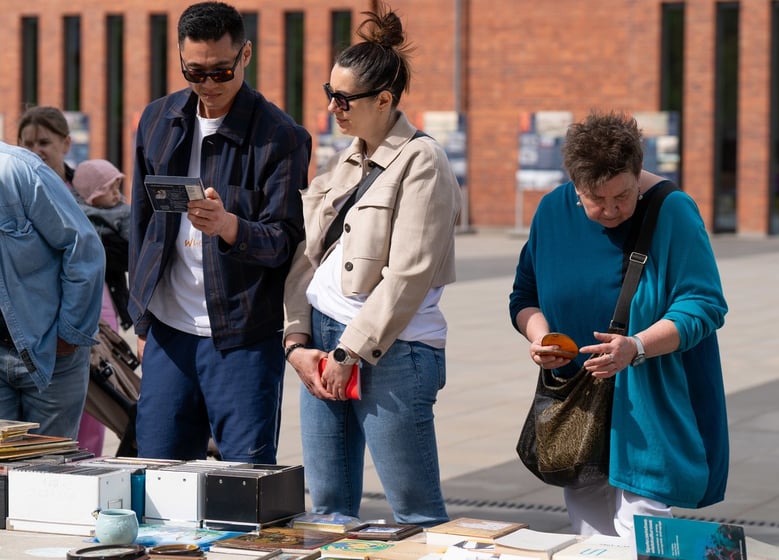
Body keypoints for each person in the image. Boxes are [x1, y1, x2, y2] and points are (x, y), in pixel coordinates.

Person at [508, 110, 729, 539]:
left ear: (637, 171)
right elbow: (524, 296)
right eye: (596, 198)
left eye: (623, 196)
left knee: (641, 532)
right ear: (575, 186)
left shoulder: (673, 211)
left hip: (648, 404)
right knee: (589, 533)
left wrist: (637, 347)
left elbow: (704, 304)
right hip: (578, 401)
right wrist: (540, 338)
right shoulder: (553, 210)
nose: (611, 209)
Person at [283, 5, 461, 527]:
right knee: (329, 509)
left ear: (384, 99)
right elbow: (308, 257)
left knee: (416, 512)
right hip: (324, 340)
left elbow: (409, 274)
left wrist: (349, 350)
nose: (333, 107)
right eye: (328, 93)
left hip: (389, 350)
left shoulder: (423, 160)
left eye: (345, 98)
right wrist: (296, 341)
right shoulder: (350, 156)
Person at [129, 1, 310, 463]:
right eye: (195, 72)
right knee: (158, 471)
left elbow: (286, 241)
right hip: (169, 331)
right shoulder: (157, 120)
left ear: (245, 55)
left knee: (243, 482)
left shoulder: (281, 136)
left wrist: (229, 226)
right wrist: (142, 316)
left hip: (241, 335)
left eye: (221, 71)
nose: (208, 84)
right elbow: (142, 223)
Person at [18, 107, 110, 455]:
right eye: (27, 143)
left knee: (88, 422)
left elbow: (105, 247)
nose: (36, 149)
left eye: (44, 141)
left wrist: (75, 329)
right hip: (35, 318)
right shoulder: (17, 188)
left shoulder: (84, 188)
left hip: (89, 310)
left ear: (65, 143)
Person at [0, 141, 105, 439]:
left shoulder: (19, 170)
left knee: (48, 475)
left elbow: (84, 248)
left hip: (48, 350)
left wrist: (69, 333)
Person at [73, 159, 132, 331]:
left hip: (111, 283)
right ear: (92, 194)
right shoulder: (76, 211)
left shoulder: (122, 212)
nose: (116, 194)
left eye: (117, 188)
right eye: (109, 190)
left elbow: (132, 248)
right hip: (86, 288)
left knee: (109, 323)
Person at [17, 106, 75, 186]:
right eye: (29, 144)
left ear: (66, 144)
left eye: (44, 143)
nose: (35, 152)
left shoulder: (87, 189)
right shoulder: (9, 191)